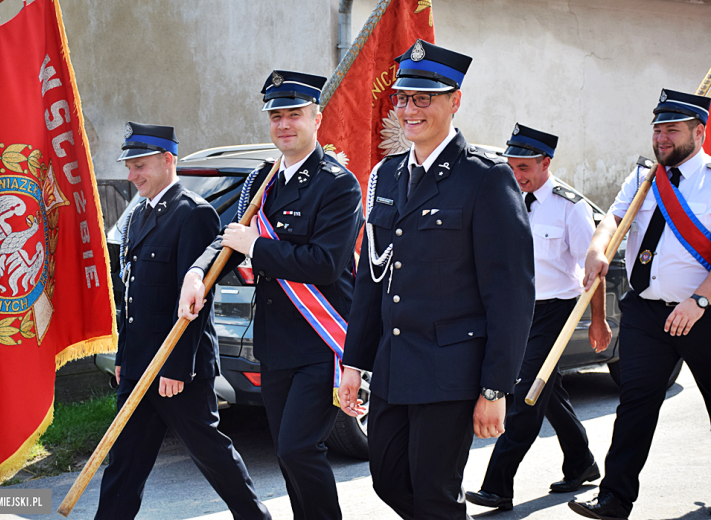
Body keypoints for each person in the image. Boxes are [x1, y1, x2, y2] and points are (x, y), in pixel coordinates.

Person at [338, 39, 535, 520]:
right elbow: (372, 276)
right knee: (387, 481)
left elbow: (510, 294)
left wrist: (495, 390)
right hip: (391, 366)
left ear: (455, 101)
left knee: (433, 492)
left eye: (424, 98)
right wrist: (353, 362)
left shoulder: (486, 178)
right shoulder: (384, 176)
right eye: (403, 98)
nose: (409, 109)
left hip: (451, 371)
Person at [178, 71, 363, 520]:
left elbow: (325, 263)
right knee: (286, 451)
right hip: (276, 341)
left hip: (323, 340)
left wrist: (256, 247)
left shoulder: (338, 184)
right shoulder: (264, 179)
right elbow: (229, 237)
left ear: (317, 117)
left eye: (294, 114)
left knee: (301, 448)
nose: (284, 124)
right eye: (276, 115)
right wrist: (198, 272)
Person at [95, 122, 270, 520]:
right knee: (124, 462)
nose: (132, 175)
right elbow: (132, 296)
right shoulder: (139, 213)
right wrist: (124, 355)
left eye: (140, 165)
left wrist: (175, 367)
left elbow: (197, 300)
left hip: (178, 370)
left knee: (212, 456)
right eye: (129, 165)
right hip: (140, 364)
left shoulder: (194, 213)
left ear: (167, 159)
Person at [569, 89, 711, 519]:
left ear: (699, 132)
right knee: (634, 404)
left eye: (672, 130)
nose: (661, 138)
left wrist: (700, 299)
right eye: (657, 130)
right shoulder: (645, 177)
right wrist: (598, 247)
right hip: (647, 312)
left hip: (703, 313)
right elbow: (613, 218)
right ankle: (615, 497)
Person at [466, 124, 612, 511]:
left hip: (555, 313)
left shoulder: (570, 207)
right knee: (550, 394)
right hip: (515, 312)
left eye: (525, 167)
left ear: (546, 162)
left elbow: (593, 271)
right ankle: (581, 463)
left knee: (527, 396)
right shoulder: (504, 196)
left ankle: (498, 485)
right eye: (511, 166)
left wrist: (598, 320)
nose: (516, 175)